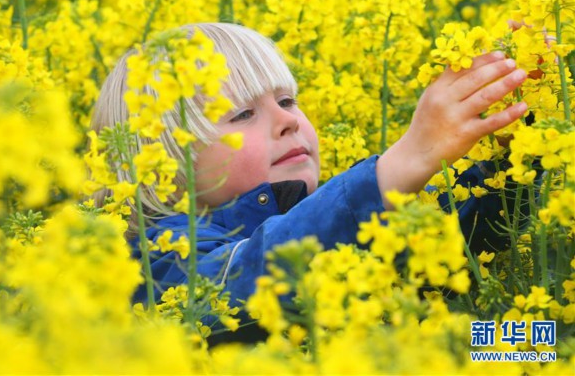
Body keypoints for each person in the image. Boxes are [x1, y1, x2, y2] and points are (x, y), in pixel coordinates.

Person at [92, 22, 528, 341]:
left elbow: (456, 236)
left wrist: (517, 146)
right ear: (162, 171)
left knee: (530, 343)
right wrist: (404, 162)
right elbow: (254, 274)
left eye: (286, 100)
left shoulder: (338, 218)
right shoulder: (160, 260)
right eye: (244, 114)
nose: (286, 121)